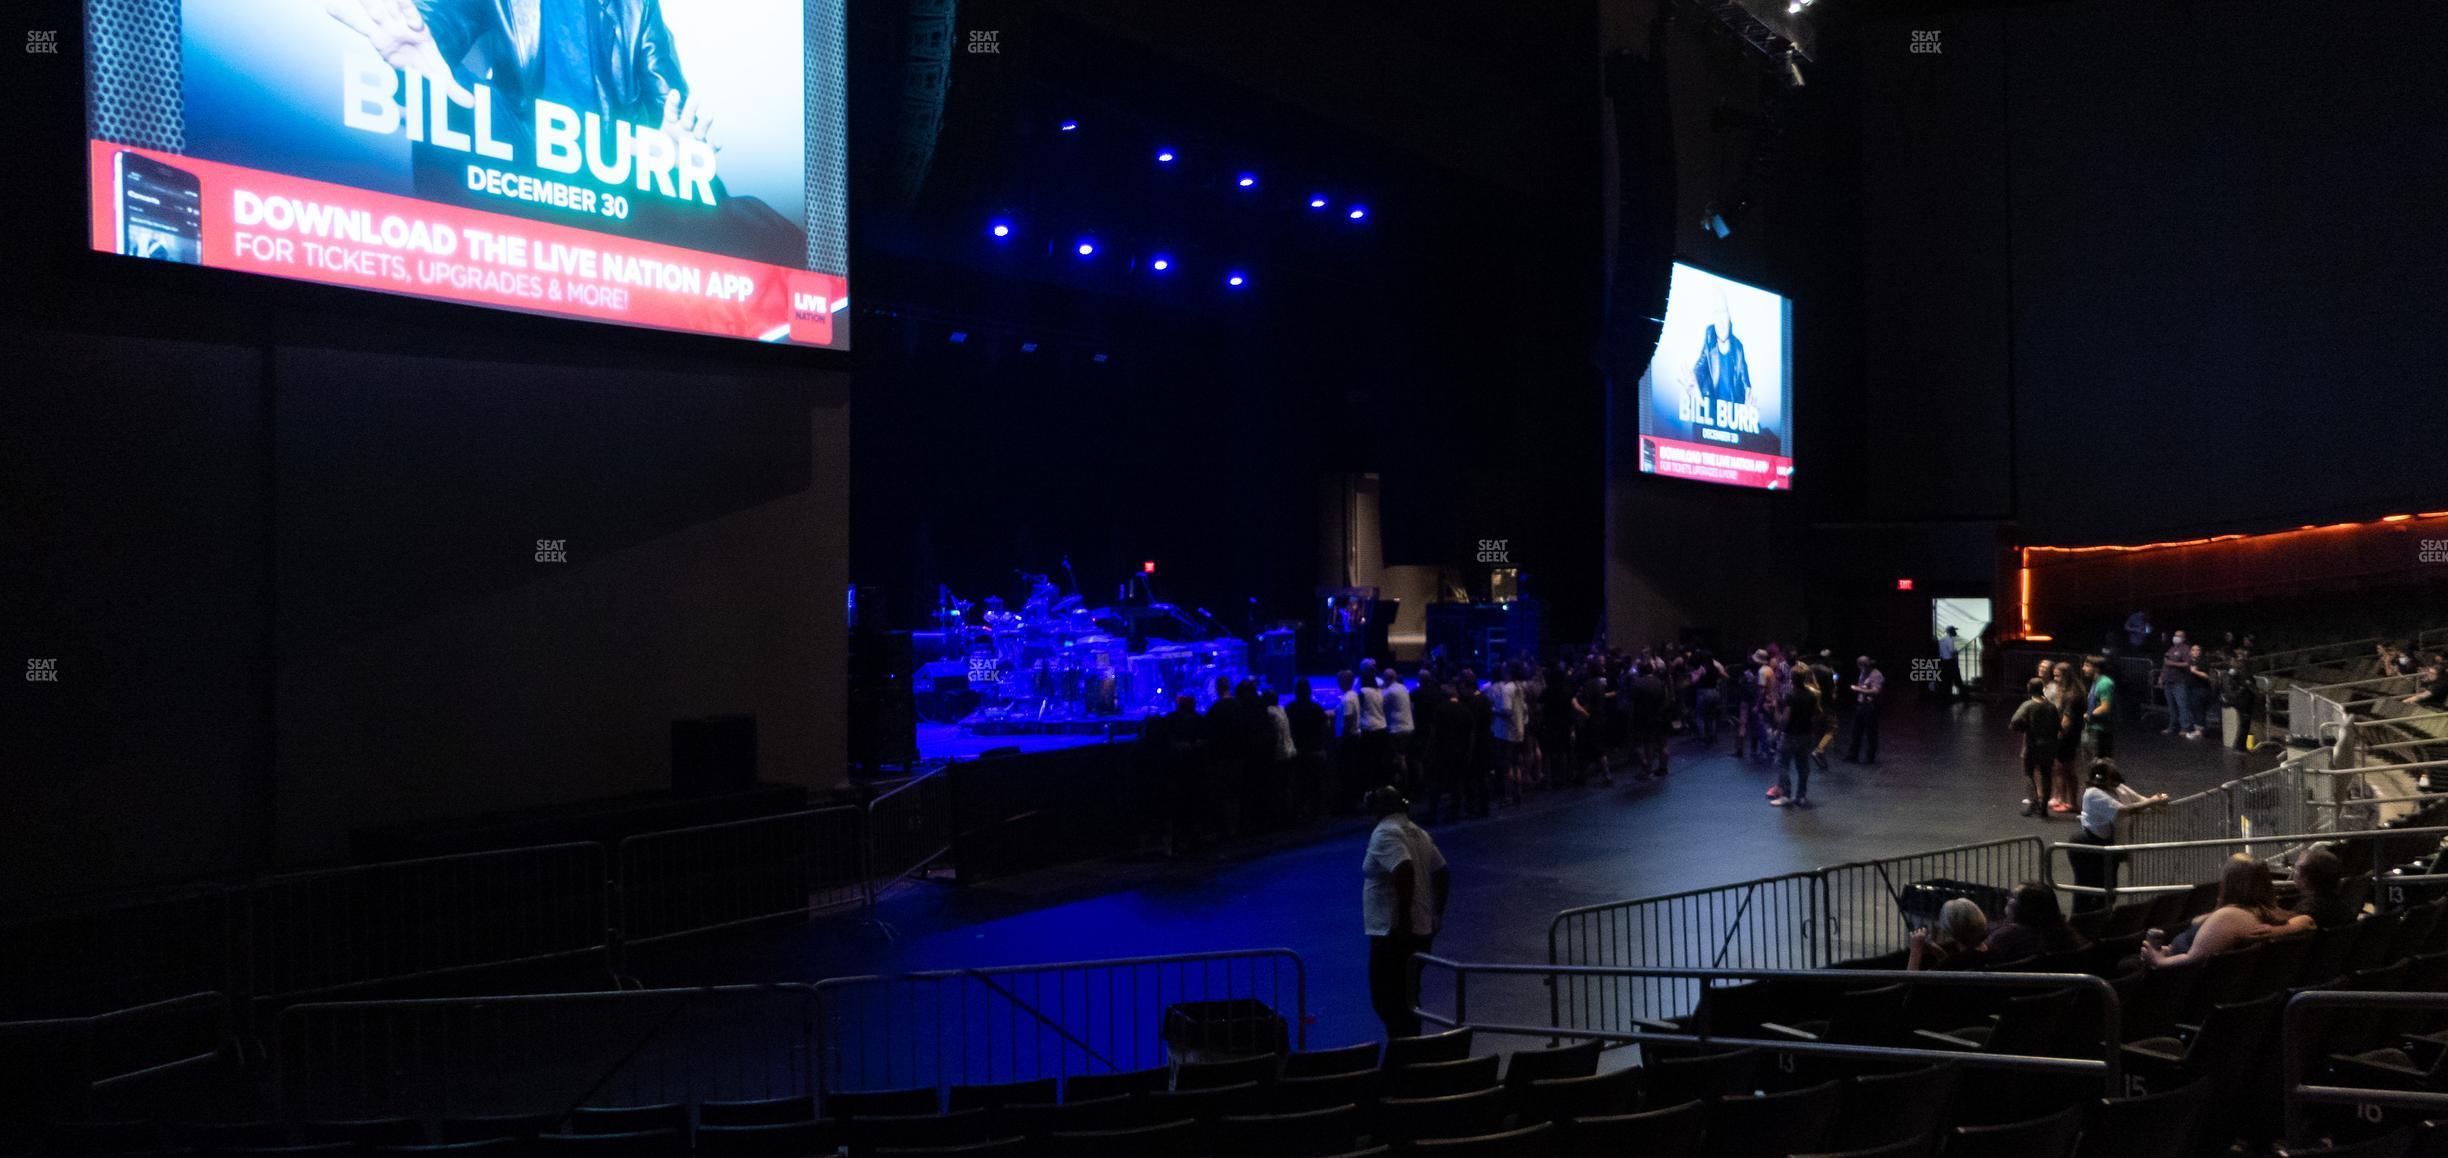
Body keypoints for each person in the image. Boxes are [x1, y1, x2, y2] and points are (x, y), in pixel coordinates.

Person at [1361, 786, 1450, 1040]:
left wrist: (1401, 919)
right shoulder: (1418, 832)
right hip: (1421, 930)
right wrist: (1437, 914)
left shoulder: (1385, 834)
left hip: (1393, 934)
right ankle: (1411, 1054)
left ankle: (1404, 1058)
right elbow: (1442, 871)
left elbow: (1404, 869)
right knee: (1408, 1000)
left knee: (1386, 1000)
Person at [2142, 857, 2304, 968]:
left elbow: (2194, 960)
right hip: (2176, 959)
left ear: (2229, 883)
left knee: (2128, 965)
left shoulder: (2228, 916)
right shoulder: (2272, 913)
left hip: (2180, 980)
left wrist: (2158, 960)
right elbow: (2306, 921)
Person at [2071, 759, 2168, 913]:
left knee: (2109, 888)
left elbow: (2139, 799)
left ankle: (2103, 919)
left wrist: (2155, 804)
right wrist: (2152, 802)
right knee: (2089, 888)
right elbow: (2122, 811)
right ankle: (2082, 922)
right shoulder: (2093, 794)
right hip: (2090, 845)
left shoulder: (2119, 788)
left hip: (2110, 845)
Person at [1985, 883, 2086, 963]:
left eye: (2013, 897)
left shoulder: (2006, 936)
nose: (2007, 898)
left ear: (2027, 907)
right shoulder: (2062, 933)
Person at [2008, 678, 2061, 818]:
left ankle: (2034, 802)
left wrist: (2026, 727)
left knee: (2029, 774)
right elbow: (2058, 727)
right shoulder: (2051, 706)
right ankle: (2044, 808)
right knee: (2046, 775)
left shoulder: (2028, 705)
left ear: (2029, 688)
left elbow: (2014, 722)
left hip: (2033, 745)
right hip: (2049, 745)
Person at [1773, 665, 1820, 807]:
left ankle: (1786, 795)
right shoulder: (1812, 695)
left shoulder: (1791, 696)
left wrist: (1778, 731)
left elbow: (1786, 717)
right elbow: (1816, 715)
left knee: (1782, 762)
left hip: (1791, 735)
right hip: (1806, 734)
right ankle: (1801, 796)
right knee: (1803, 766)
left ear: (1791, 678)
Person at [1908, 898, 1991, 972]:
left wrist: (1915, 950)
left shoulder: (1952, 964)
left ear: (1949, 930)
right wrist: (1940, 953)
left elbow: (1910, 986)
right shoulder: (1994, 954)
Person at [2291, 847, 2360, 929]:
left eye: (2297, 869)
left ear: (2306, 878)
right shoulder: (2343, 908)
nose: (2293, 873)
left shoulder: (2306, 912)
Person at [1626, 660, 1672, 779]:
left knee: (1648, 744)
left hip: (1646, 718)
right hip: (1661, 716)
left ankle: (1648, 770)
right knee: (1663, 744)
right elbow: (1666, 699)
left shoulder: (1637, 684)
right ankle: (1663, 768)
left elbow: (1632, 702)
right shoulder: (1660, 682)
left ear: (1640, 671)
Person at [2050, 663, 2086, 813]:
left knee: (2065, 769)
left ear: (2066, 676)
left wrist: (2057, 735)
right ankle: (2065, 799)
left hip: (2067, 737)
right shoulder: (2070, 692)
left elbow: (2066, 719)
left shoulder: (2071, 695)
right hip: (2069, 736)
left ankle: (2070, 801)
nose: (2055, 679)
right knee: (2063, 768)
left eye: (2058, 676)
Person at [1844, 656, 1884, 764]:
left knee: (1871, 733)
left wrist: (1858, 689)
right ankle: (1853, 755)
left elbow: (1875, 691)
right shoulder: (1864, 673)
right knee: (1856, 732)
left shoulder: (1876, 675)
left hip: (1871, 707)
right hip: (1862, 705)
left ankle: (1870, 757)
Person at [2081, 655, 2119, 760]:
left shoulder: (2104, 683)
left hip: (2100, 731)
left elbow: (2105, 707)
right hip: (2092, 728)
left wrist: (2089, 715)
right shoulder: (2096, 682)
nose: (2083, 668)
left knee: (2100, 765)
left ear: (2096, 668)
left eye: (2087, 665)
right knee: (2093, 764)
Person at [1937, 626, 1966, 703]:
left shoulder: (1941, 640)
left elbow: (1941, 653)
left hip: (1944, 662)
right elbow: (1951, 652)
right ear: (1951, 632)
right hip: (1951, 662)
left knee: (1946, 681)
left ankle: (1946, 699)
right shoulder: (1950, 640)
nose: (1955, 632)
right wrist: (1956, 652)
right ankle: (1964, 697)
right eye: (1954, 631)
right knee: (1958, 680)